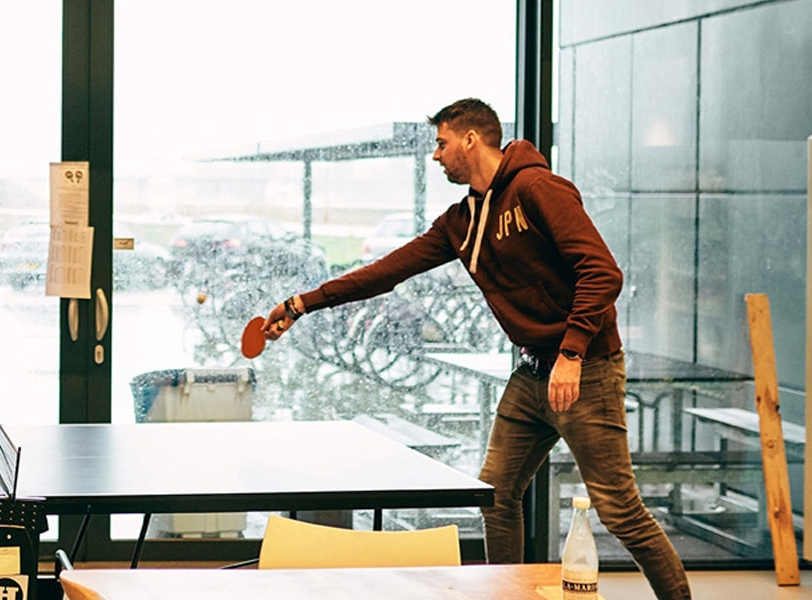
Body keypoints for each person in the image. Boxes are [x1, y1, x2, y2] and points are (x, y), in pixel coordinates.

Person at [260, 98, 690, 600]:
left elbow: (602, 272)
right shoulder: (461, 222)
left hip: (585, 370)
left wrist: (572, 352)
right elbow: (385, 272)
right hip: (532, 373)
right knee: (496, 495)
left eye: (441, 144)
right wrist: (302, 303)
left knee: (620, 512)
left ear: (470, 139)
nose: (435, 155)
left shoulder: (538, 189)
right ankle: (506, 595)